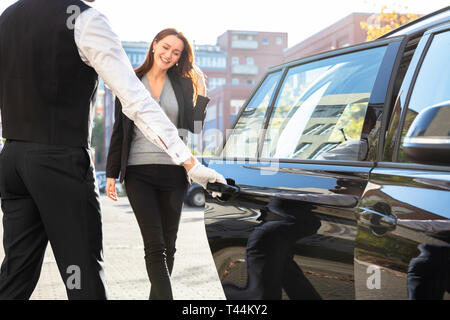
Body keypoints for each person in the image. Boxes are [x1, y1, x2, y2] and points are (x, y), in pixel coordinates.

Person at [0, 0, 225, 300]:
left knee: (16, 270)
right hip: (59, 162)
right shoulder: (86, 19)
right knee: (82, 271)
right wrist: (192, 165)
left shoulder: (8, 16)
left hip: (13, 160)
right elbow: (136, 101)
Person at [105, 28, 210, 300]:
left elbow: (195, 129)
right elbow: (119, 129)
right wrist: (111, 174)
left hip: (174, 173)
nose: (169, 55)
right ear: (154, 45)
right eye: (165, 47)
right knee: (155, 246)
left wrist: (201, 94)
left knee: (169, 246)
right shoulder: (130, 81)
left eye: (176, 52)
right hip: (139, 174)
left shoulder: (183, 85)